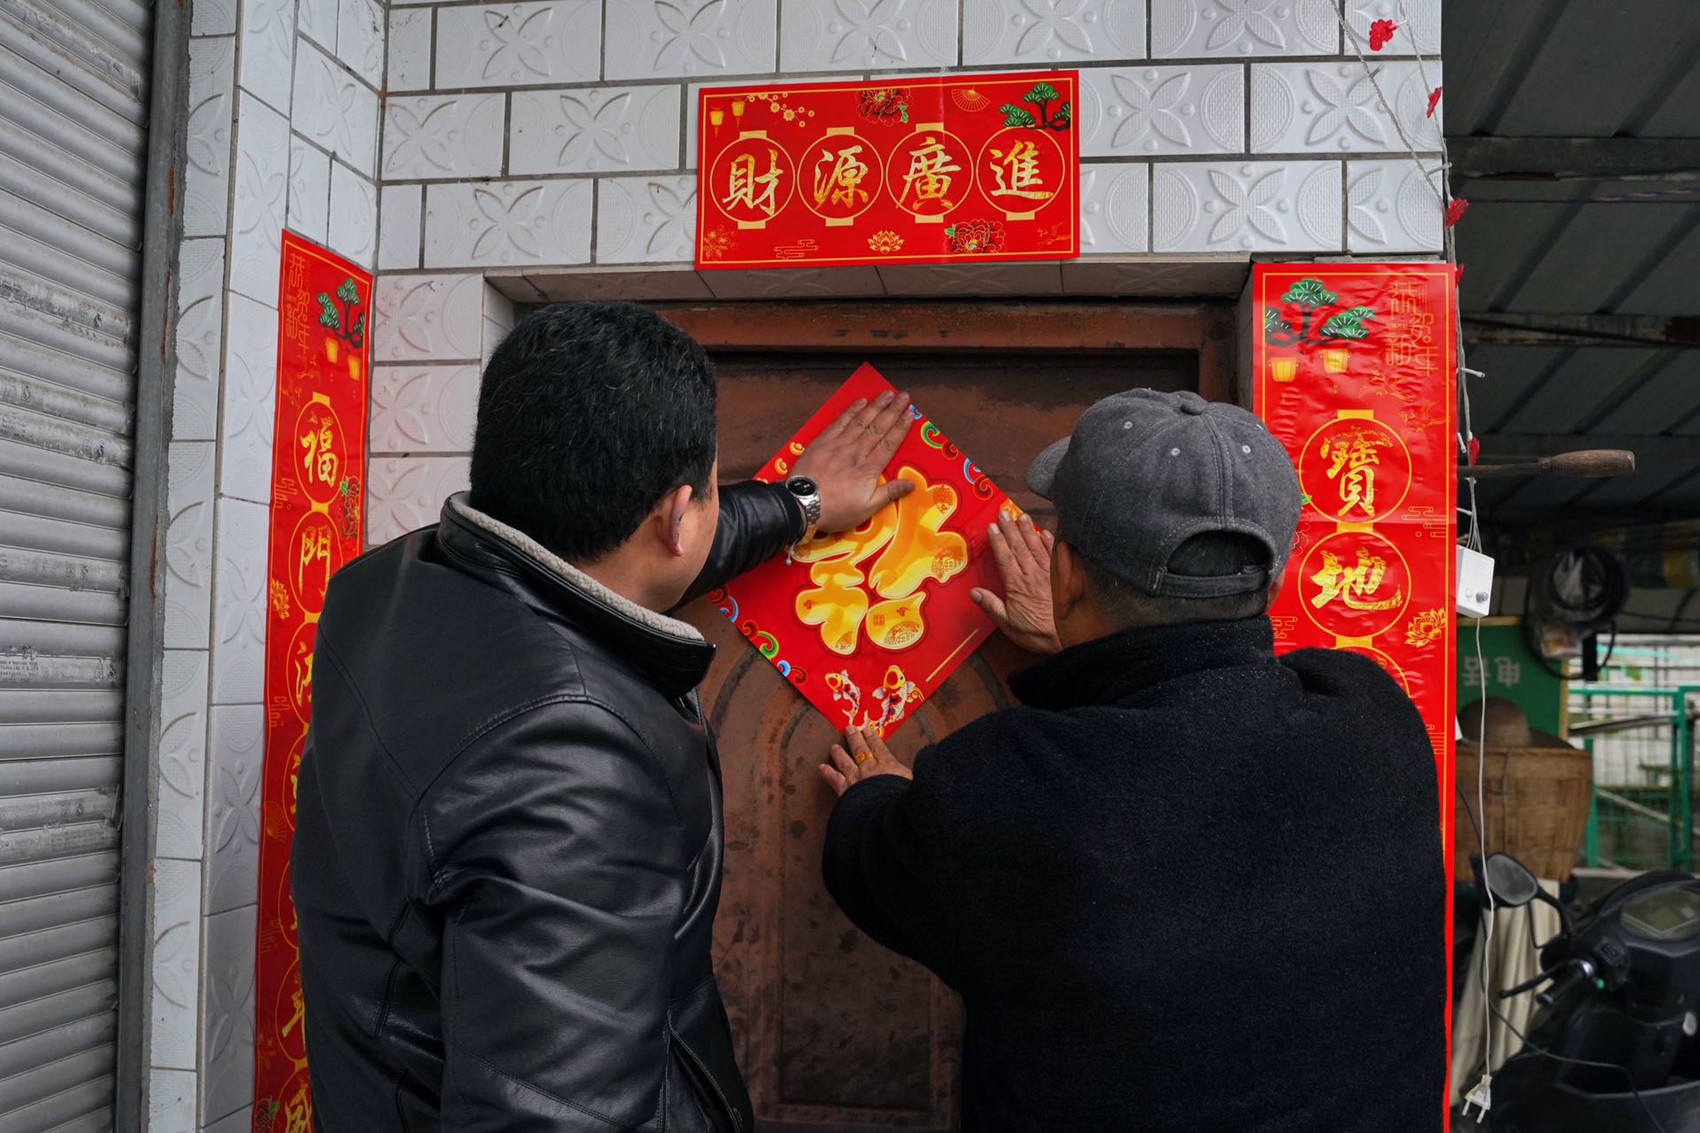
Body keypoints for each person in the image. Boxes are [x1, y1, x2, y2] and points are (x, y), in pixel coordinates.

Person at [293, 302, 918, 1131]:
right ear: (675, 515)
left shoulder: (394, 583)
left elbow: (631, 564)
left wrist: (798, 504)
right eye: (704, 494)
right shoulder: (571, 765)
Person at [818, 389, 1448, 1131]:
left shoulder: (1004, 788)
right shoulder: (1374, 718)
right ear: (1275, 581)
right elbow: (1206, 717)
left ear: (1066, 573)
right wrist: (1089, 645)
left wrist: (876, 794)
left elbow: (870, 862)